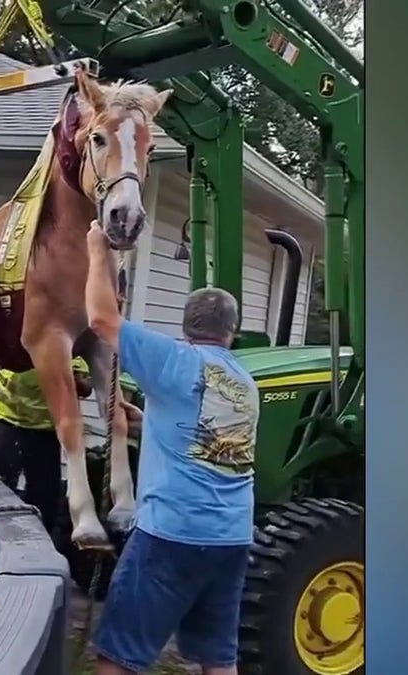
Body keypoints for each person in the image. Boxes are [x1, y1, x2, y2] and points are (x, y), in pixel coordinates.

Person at [84, 221, 260, 675]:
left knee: (118, 655)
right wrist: (148, 421)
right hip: (231, 538)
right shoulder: (243, 382)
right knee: (218, 659)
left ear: (185, 327)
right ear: (232, 331)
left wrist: (95, 252)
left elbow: (102, 319)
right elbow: (209, 433)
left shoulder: (174, 360)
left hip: (171, 536)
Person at [0, 357, 92, 539]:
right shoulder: (12, 333)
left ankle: (39, 542)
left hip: (44, 426)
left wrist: (76, 381)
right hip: (4, 413)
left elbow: (86, 386)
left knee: (44, 497)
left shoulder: (66, 340)